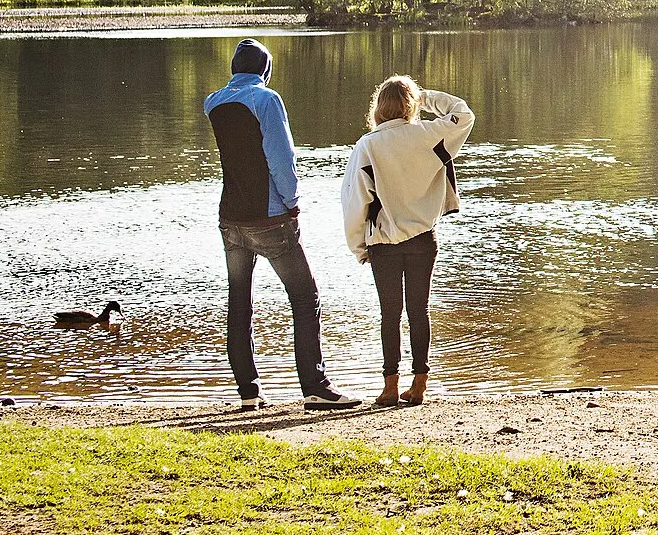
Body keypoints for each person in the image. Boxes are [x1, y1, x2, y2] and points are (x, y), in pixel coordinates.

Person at [203, 38, 359, 411]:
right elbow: (281, 159)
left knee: (239, 303)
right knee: (305, 297)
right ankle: (316, 387)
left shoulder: (214, 102)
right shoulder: (267, 100)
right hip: (269, 216)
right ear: (266, 69)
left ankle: (248, 393)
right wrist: (292, 205)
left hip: (231, 218)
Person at [340, 75, 475, 407]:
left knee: (390, 313)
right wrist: (424, 98)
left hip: (383, 241)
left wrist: (359, 247)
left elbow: (355, 201)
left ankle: (389, 386)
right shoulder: (427, 135)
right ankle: (419, 384)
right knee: (419, 310)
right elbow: (463, 114)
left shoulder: (367, 146)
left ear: (378, 108)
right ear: (410, 105)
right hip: (423, 239)